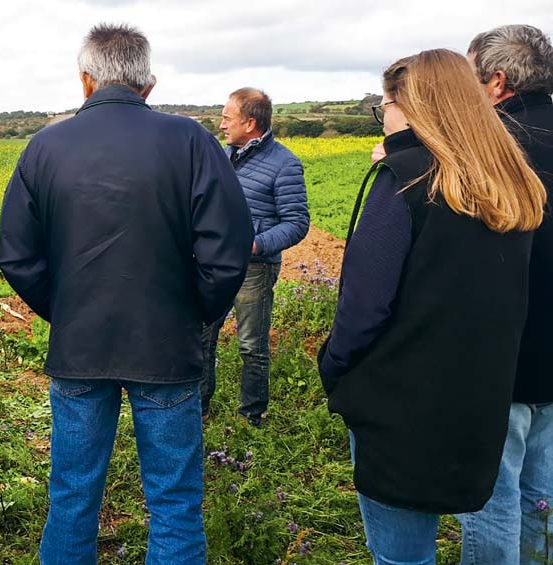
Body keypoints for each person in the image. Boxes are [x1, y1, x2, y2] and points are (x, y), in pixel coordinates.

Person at [0, 24, 253, 564]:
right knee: (175, 500)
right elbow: (227, 252)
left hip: (79, 347)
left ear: (86, 81)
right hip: (165, 346)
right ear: (148, 85)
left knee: (71, 494)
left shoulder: (45, 145)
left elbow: (18, 257)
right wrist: (194, 313)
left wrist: (65, 311)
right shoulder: (191, 140)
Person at [317, 50, 547, 563]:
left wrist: (334, 367)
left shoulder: (405, 178)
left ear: (413, 104)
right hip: (479, 395)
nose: (386, 119)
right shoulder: (512, 183)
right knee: (495, 508)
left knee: (403, 554)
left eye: (385, 106)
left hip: (399, 400)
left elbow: (363, 307)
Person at [456, 25, 553, 564]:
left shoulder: (489, 147)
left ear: (495, 82)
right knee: (544, 491)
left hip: (503, 350)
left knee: (492, 492)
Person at [201, 87, 309, 423]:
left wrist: (254, 245)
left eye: (227, 118)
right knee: (202, 337)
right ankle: (199, 408)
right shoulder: (221, 155)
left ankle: (252, 415)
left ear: (250, 123)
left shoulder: (285, 163)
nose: (221, 125)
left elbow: (297, 222)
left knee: (251, 345)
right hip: (214, 265)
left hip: (254, 268)